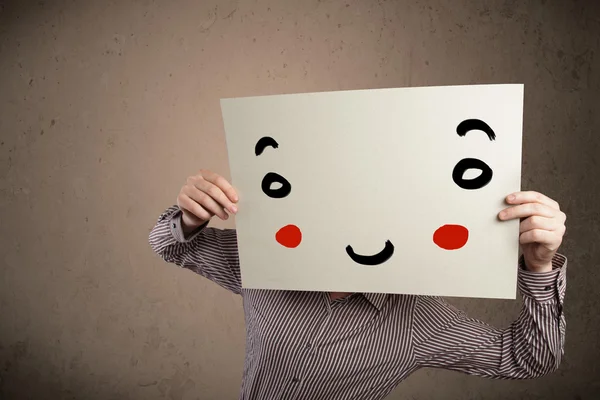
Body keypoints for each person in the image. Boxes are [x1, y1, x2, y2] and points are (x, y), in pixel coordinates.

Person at [149, 169, 568, 400]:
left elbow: (528, 358)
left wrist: (539, 266)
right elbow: (171, 246)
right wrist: (191, 216)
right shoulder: (268, 260)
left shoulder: (418, 319)